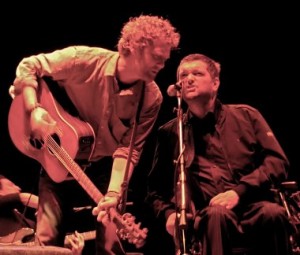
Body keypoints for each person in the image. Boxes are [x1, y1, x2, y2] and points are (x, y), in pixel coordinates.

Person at [8, 14, 180, 255]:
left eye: (164, 60)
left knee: (110, 246)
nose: (162, 65)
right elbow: (29, 66)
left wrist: (112, 194)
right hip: (56, 159)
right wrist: (33, 110)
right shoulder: (84, 60)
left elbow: (128, 151)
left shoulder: (151, 98)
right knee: (46, 243)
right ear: (132, 47)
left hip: (104, 169)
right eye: (156, 57)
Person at [146, 53, 293, 255]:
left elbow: (277, 162)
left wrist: (238, 192)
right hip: (208, 214)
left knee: (273, 213)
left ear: (215, 83)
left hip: (253, 204)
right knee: (217, 215)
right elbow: (155, 190)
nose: (188, 79)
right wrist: (169, 214)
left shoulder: (246, 116)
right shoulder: (171, 132)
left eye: (197, 73)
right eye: (183, 75)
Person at [0, 175, 38, 241]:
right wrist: (45, 207)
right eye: (11, 185)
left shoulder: (26, 220)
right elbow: (23, 197)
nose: (18, 188)